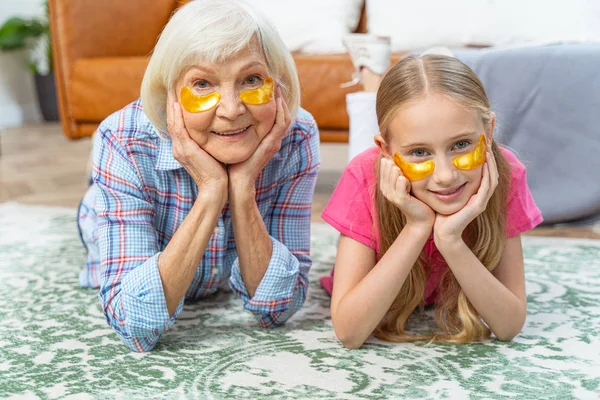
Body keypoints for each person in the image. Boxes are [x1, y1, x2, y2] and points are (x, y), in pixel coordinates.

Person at [77, 0, 320, 352]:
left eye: (251, 79)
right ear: (169, 94)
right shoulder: (121, 138)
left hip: (210, 256)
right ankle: (99, 195)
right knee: (95, 217)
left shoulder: (296, 135)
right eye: (203, 84)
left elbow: (278, 308)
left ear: (278, 82)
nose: (232, 109)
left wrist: (242, 189)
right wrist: (211, 191)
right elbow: (133, 323)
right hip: (100, 211)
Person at [321, 37, 543, 349]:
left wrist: (451, 241)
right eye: (420, 152)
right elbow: (349, 333)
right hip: (383, 184)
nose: (446, 175)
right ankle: (372, 76)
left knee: (417, 129)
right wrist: (416, 227)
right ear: (386, 152)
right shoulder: (363, 177)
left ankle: (417, 88)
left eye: (462, 144)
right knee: (363, 152)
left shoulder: (506, 171)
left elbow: (508, 326)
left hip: (402, 166)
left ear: (489, 131)